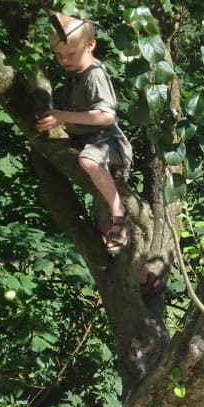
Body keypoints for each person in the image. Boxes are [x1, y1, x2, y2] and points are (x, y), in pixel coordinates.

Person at [37, 14, 133, 255]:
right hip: (89, 143)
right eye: (58, 55)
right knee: (102, 225)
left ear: (90, 45)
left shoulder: (95, 74)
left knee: (88, 160)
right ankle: (115, 231)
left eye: (70, 53)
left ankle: (120, 213)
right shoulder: (76, 70)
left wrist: (63, 117)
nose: (64, 60)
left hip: (108, 144)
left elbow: (107, 116)